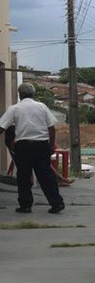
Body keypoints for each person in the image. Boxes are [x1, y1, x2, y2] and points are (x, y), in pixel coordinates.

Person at [0, 83, 64, 214]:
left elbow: (2, 127)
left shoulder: (14, 108)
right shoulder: (42, 107)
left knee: (23, 176)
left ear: (20, 94)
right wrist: (51, 145)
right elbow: (51, 127)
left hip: (23, 146)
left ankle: (25, 205)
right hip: (41, 145)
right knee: (46, 175)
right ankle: (56, 203)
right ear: (33, 94)